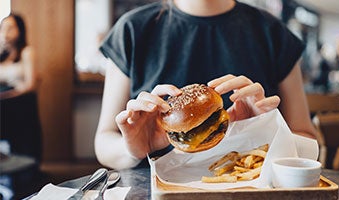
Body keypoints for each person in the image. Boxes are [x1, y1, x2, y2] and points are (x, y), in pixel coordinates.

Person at [95, 0, 318, 170]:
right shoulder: (132, 30)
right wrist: (132, 149)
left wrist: (265, 129)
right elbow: (104, 141)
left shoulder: (273, 34)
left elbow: (309, 143)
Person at [0, 14, 38, 99]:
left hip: (17, 100)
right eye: (2, 28)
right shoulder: (2, 53)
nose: (5, 33)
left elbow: (31, 86)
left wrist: (6, 95)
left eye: (10, 28)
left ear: (20, 31)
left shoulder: (26, 52)